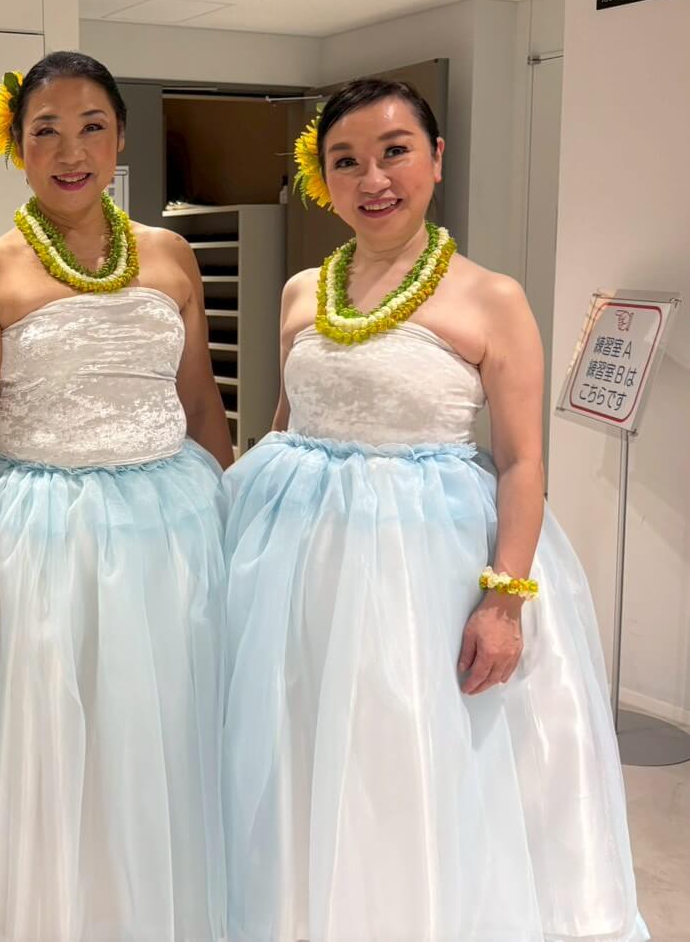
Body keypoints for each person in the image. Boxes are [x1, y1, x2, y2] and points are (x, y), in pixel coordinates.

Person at [222, 78, 645, 942]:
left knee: (405, 754)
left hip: (426, 570)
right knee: (300, 749)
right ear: (323, 179)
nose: (372, 179)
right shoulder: (301, 291)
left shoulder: (491, 298)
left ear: (436, 158)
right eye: (345, 161)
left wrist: (504, 601)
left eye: (394, 152)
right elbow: (283, 423)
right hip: (299, 562)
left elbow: (522, 461)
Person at [0, 51, 232, 942]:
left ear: (119, 137)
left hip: (169, 527)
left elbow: (200, 402)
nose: (69, 151)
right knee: (53, 740)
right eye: (44, 130)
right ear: (16, 146)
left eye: (91, 126)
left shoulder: (170, 254)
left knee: (158, 731)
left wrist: (229, 517)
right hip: (43, 533)